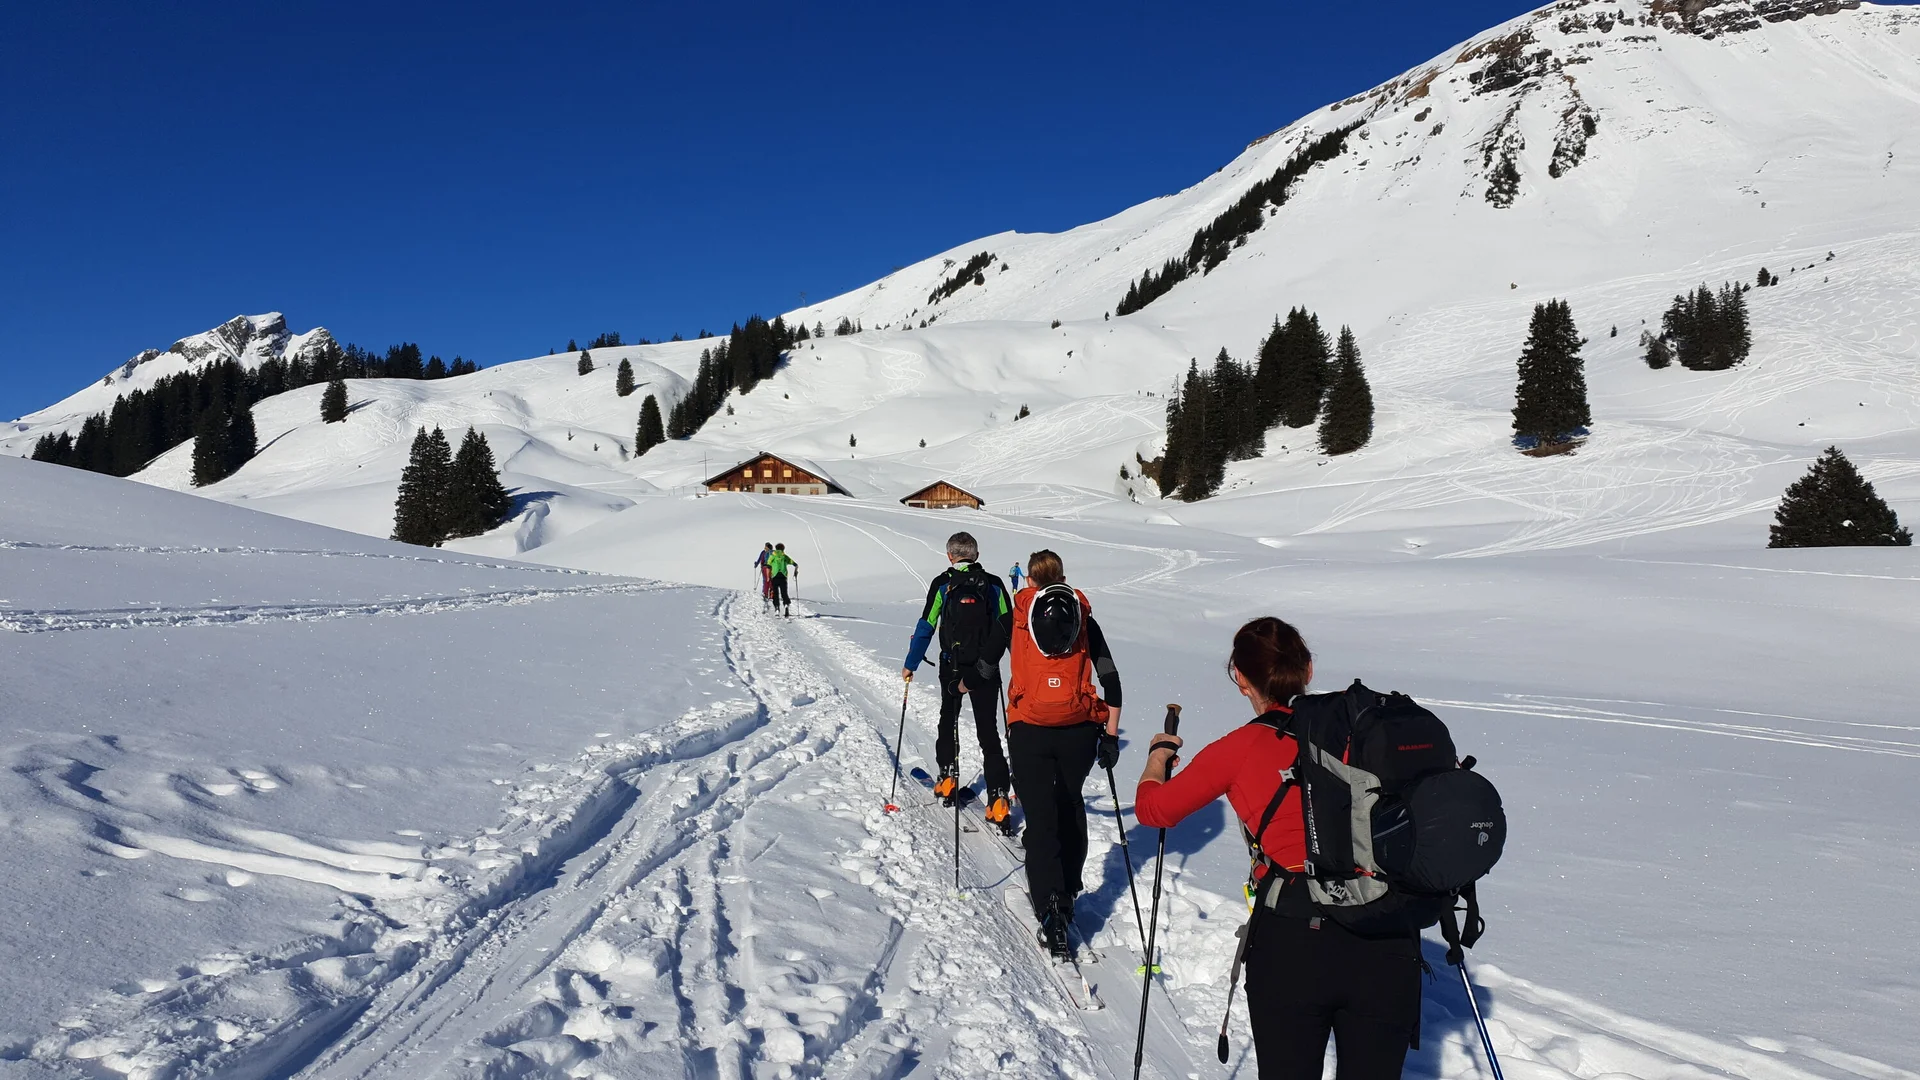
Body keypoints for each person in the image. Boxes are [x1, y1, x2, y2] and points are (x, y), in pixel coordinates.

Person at [1135, 618, 1420, 1080]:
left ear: (1240, 678)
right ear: (1307, 670)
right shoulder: (1366, 736)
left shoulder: (1241, 747)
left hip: (1293, 941)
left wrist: (1158, 756)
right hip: (1387, 938)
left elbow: (1154, 810)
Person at [1005, 549, 1121, 959]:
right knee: (1070, 803)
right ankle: (1069, 891)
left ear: (1031, 579)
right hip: (1079, 732)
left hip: (1029, 728)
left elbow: (986, 658)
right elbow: (1110, 678)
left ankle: (1050, 909)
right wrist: (1108, 737)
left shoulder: (1019, 614)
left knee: (1039, 816)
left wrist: (968, 682)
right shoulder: (1082, 617)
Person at [902, 531, 1013, 820]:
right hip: (986, 669)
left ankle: (948, 778)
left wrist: (911, 663)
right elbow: (1009, 628)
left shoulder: (942, 584)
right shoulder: (994, 585)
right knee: (989, 732)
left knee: (948, 718)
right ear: (976, 555)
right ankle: (999, 800)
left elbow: (926, 624)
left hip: (952, 666)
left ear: (950, 556)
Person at [766, 542, 797, 617]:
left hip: (775, 576)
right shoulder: (784, 556)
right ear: (783, 549)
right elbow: (793, 563)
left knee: (775, 593)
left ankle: (777, 608)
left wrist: (767, 577)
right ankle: (786, 604)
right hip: (783, 576)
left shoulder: (772, 556)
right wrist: (796, 568)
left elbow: (768, 566)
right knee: (784, 593)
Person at [754, 542, 775, 609]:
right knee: (772, 580)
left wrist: (756, 564)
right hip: (773, 568)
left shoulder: (763, 552)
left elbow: (759, 559)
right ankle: (772, 594)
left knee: (765, 580)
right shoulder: (774, 552)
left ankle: (765, 593)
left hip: (765, 568)